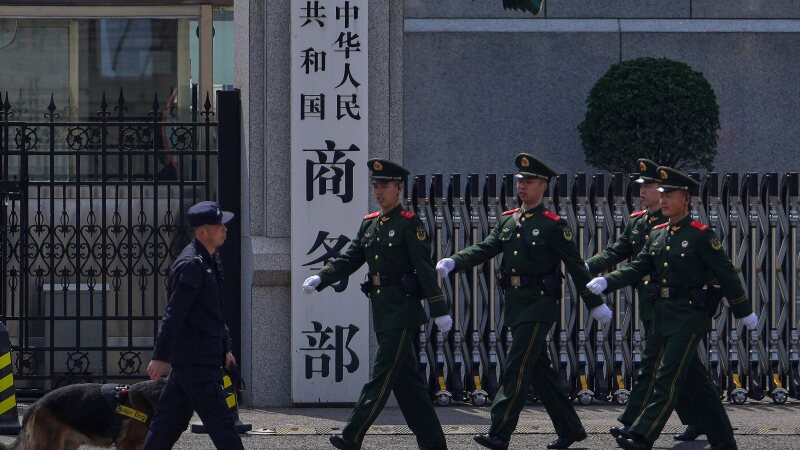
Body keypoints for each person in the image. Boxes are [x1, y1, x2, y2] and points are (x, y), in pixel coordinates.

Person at [436, 153, 613, 450]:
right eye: (520, 181)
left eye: (529, 181)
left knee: (516, 368)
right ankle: (570, 429)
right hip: (516, 305)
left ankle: (499, 432)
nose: (522, 186)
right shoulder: (509, 220)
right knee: (539, 371)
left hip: (539, 306)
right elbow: (485, 248)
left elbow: (576, 266)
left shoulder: (554, 225)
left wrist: (594, 303)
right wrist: (455, 261)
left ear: (543, 186)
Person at [586, 167, 759, 450]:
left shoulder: (701, 236)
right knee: (690, 380)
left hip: (689, 316)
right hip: (662, 314)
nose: (664, 199)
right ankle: (723, 438)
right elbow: (637, 266)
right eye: (662, 194)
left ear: (686, 198)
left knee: (667, 377)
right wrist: (607, 281)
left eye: (670, 194)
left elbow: (727, 275)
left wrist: (744, 311)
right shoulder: (657, 234)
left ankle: (642, 434)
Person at [302, 159, 452, 450]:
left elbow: (424, 268)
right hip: (383, 312)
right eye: (376, 185)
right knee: (408, 387)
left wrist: (439, 309)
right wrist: (323, 277)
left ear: (399, 188)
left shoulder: (410, 224)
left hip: (404, 312)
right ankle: (434, 444)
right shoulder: (370, 224)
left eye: (385, 185)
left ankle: (352, 435)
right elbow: (350, 258)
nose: (379, 191)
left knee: (381, 375)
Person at [584, 159, 702, 442]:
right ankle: (701, 420)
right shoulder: (639, 222)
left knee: (655, 367)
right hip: (650, 303)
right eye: (642, 186)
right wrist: (590, 265)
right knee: (683, 369)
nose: (643, 192)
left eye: (649, 186)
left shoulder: (673, 223)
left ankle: (634, 423)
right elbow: (617, 250)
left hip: (673, 306)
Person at [143, 201, 244, 450]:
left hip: (197, 360)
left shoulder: (208, 261)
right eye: (219, 226)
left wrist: (225, 351)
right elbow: (174, 315)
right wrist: (160, 357)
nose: (224, 229)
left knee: (166, 426)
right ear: (202, 232)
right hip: (197, 363)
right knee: (223, 426)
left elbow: (211, 316)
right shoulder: (192, 265)